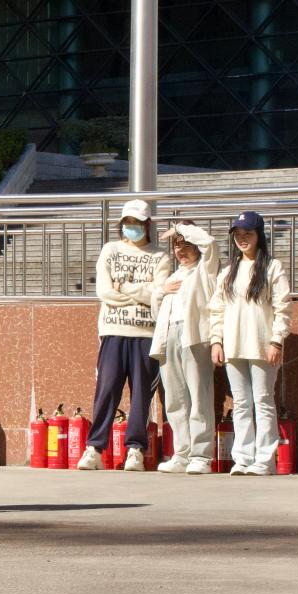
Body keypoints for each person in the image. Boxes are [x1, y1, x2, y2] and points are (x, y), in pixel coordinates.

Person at [77, 199, 171, 471]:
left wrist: (126, 286)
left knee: (142, 393)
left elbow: (159, 294)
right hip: (113, 331)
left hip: (146, 333)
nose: (133, 228)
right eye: (128, 223)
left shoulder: (160, 256)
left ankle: (135, 450)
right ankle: (95, 447)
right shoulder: (110, 250)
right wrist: (140, 292)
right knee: (106, 389)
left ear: (148, 225)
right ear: (121, 225)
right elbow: (105, 292)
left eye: (138, 223)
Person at [209, 211, 292, 476]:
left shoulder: (272, 267)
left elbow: (283, 307)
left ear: (259, 235)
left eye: (248, 234)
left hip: (262, 346)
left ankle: (264, 459)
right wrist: (216, 341)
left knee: (263, 401)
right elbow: (217, 309)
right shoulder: (228, 271)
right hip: (233, 347)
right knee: (242, 404)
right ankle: (243, 458)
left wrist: (276, 341)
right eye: (238, 234)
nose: (242, 239)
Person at [149, 221, 218, 474]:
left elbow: (210, 244)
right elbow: (158, 313)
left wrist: (180, 227)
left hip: (194, 336)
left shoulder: (205, 270)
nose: (181, 250)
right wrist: (160, 292)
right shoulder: (174, 276)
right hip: (169, 336)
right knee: (175, 398)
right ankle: (182, 452)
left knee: (199, 395)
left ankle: (201, 454)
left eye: (186, 244)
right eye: (177, 245)